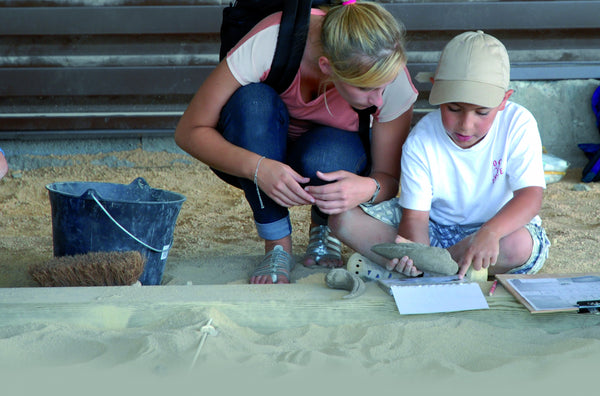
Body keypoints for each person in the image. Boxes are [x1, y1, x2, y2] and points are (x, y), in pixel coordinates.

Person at [175, 1, 417, 284]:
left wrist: (367, 188)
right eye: (365, 88)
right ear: (327, 66)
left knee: (326, 157)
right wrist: (259, 168)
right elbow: (189, 131)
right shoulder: (273, 40)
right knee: (253, 102)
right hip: (258, 147)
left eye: (383, 87)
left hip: (331, 155)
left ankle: (323, 227)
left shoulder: (393, 76)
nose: (378, 100)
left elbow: (389, 178)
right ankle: (277, 244)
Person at [330, 30, 550, 279]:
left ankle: (425, 270)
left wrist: (490, 232)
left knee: (519, 246)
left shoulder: (518, 123)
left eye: (482, 112)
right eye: (454, 108)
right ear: (436, 90)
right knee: (342, 219)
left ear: (503, 100)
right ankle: (454, 270)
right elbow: (415, 218)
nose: (466, 125)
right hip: (435, 229)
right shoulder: (421, 140)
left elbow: (531, 197)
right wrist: (416, 252)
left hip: (497, 227)